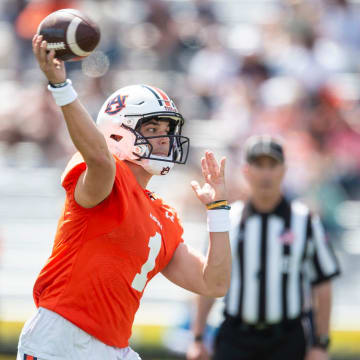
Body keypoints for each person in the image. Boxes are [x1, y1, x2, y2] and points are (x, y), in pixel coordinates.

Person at [16, 34, 232, 360]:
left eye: (168, 131)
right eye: (154, 129)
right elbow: (101, 159)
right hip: (62, 338)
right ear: (118, 132)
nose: (165, 139)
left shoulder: (165, 216)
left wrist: (218, 210)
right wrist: (62, 87)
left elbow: (215, 284)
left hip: (114, 349)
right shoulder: (106, 178)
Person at [186, 135, 341, 360]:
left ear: (283, 170)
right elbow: (208, 279)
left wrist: (320, 343)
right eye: (259, 165)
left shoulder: (305, 221)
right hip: (236, 336)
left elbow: (322, 285)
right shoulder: (228, 220)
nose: (266, 173)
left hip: (287, 339)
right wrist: (198, 338)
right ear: (247, 170)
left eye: (272, 165)